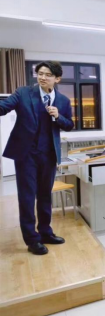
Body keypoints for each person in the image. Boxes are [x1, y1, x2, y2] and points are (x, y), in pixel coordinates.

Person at [0, 61, 74, 256]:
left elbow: (69, 125)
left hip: (49, 155)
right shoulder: (23, 93)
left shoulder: (63, 101)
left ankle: (45, 232)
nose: (42, 77)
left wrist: (58, 116)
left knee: (45, 196)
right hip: (26, 155)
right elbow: (4, 107)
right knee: (26, 197)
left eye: (48, 75)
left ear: (57, 79)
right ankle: (32, 239)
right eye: (40, 73)